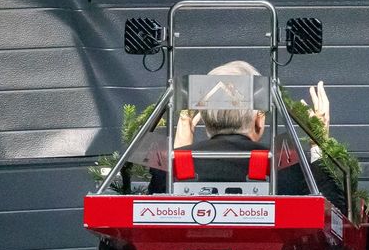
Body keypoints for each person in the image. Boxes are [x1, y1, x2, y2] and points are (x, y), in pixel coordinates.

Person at [147, 61, 347, 212]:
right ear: (259, 120)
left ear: (205, 120)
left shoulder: (168, 169)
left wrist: (177, 156)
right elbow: (333, 217)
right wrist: (318, 143)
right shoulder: (289, 167)